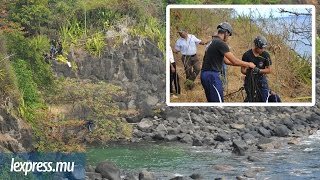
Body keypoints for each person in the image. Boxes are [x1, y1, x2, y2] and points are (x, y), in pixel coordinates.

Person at [201, 22, 256, 102]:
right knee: (218, 103)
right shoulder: (221, 43)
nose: (228, 37)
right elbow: (233, 60)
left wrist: (242, 64)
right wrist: (248, 64)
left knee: (211, 101)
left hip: (205, 74)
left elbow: (226, 61)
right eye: (229, 35)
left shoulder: (212, 42)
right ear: (226, 33)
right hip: (212, 76)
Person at [241, 35, 272, 102]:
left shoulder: (266, 55)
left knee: (264, 98)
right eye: (261, 48)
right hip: (250, 80)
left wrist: (259, 71)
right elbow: (243, 70)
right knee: (251, 99)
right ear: (256, 46)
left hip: (261, 80)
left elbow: (269, 70)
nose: (263, 50)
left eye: (264, 48)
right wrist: (250, 71)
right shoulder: (247, 55)